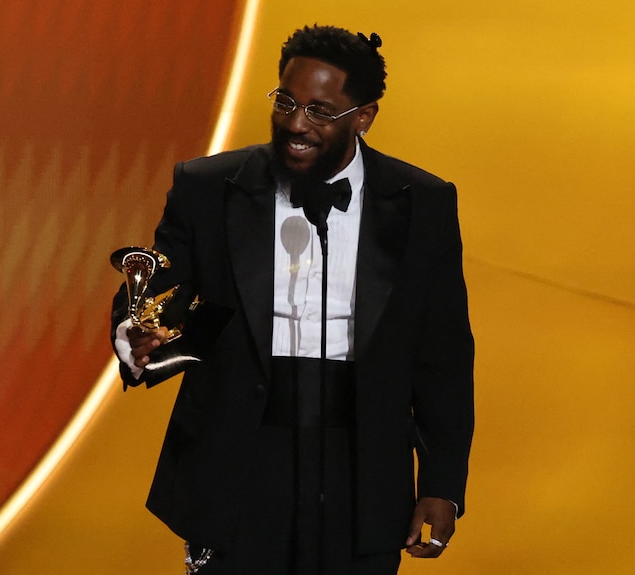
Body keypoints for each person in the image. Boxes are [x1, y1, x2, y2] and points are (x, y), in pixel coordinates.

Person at [111, 24, 474, 575]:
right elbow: (161, 289)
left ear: (363, 116)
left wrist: (443, 482)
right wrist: (138, 337)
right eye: (285, 102)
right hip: (239, 460)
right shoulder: (209, 187)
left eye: (320, 111)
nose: (295, 124)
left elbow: (442, 354)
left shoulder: (421, 202)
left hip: (363, 470)